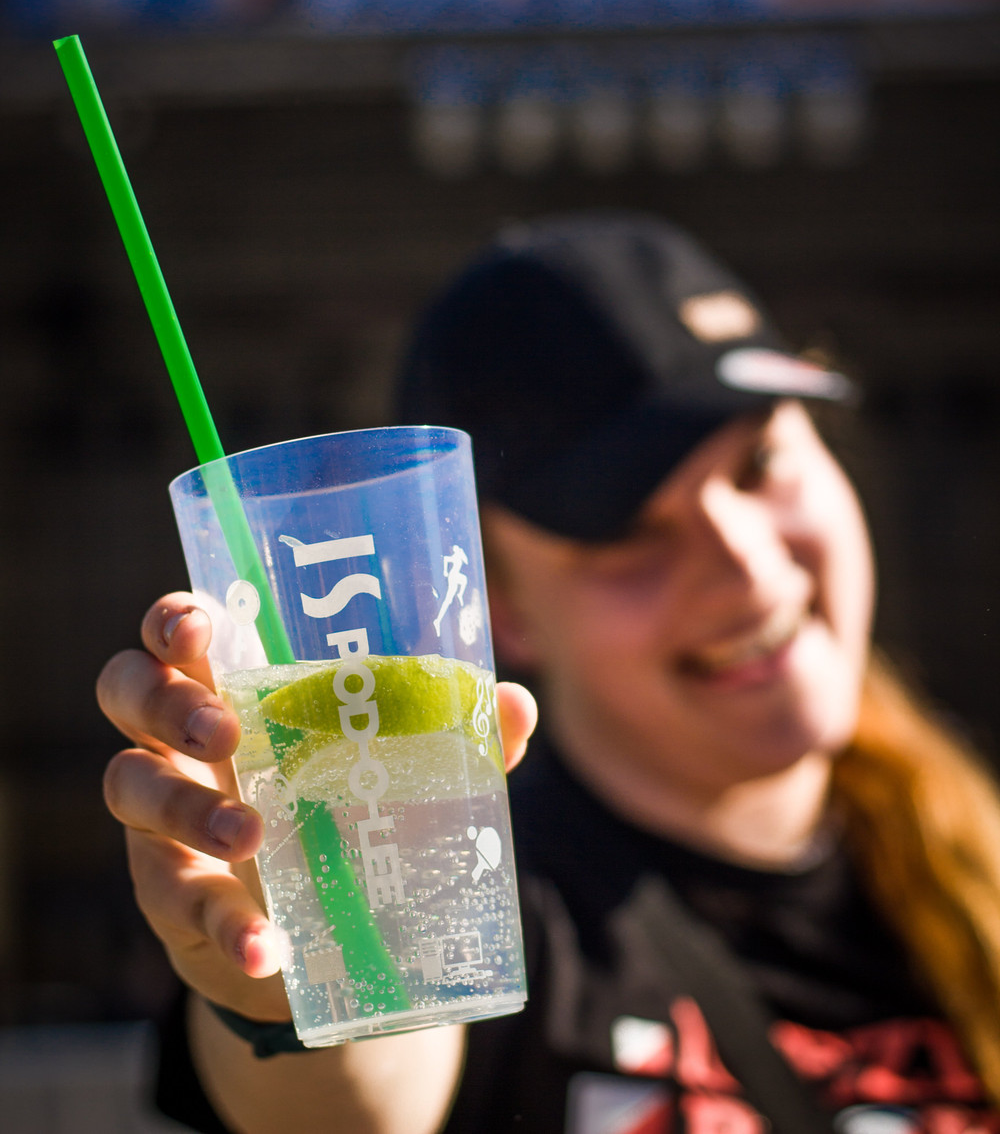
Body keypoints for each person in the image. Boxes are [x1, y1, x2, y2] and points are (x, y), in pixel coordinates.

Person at [97, 212, 1000, 1134]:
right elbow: (357, 1105)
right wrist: (299, 991)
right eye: (629, 526)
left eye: (759, 464)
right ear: (497, 604)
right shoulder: (485, 899)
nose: (746, 564)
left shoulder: (974, 856)